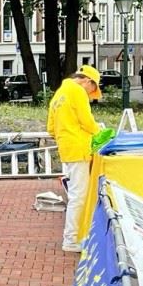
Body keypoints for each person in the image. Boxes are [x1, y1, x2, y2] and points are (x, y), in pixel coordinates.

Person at [46, 65, 103, 251]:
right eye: (92, 89)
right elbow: (87, 120)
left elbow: (50, 128)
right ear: (87, 81)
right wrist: (100, 131)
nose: (90, 94)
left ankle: (73, 237)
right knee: (79, 196)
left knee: (76, 194)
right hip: (79, 148)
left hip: (67, 149)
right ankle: (71, 239)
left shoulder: (59, 94)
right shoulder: (77, 91)